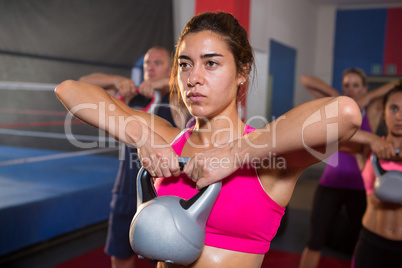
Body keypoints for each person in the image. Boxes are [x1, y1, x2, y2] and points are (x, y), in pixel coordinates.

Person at [55, 11, 362, 268]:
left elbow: (346, 113)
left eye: (211, 63)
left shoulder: (268, 158)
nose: (193, 78)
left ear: (242, 72)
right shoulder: (167, 138)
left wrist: (235, 153)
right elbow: (69, 90)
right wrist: (140, 137)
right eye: (184, 64)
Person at [79, 46, 185, 268]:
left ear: (170, 69)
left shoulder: (177, 99)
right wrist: (116, 80)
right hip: (127, 188)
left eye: (157, 63)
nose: (150, 67)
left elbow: (186, 84)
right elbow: (82, 84)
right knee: (120, 254)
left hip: (164, 192)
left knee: (169, 260)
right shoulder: (133, 97)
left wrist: (165, 83)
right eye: (147, 63)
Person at [298, 69, 398, 268]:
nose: (351, 89)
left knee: (358, 243)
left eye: (355, 85)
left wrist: (366, 98)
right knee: (314, 241)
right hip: (330, 185)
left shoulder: (373, 110)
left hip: (361, 189)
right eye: (347, 85)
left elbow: (396, 85)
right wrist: (337, 96)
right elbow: (306, 79)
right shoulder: (335, 107)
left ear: (364, 88)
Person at [352, 82, 402, 267]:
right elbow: (328, 134)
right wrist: (370, 138)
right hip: (372, 243)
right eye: (394, 108)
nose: (399, 116)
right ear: (384, 113)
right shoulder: (368, 148)